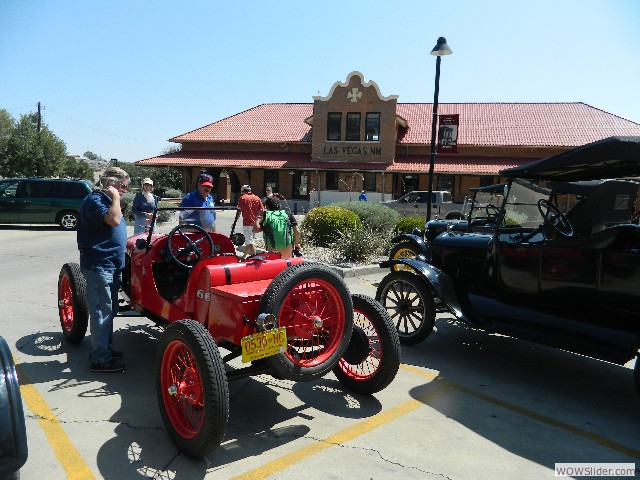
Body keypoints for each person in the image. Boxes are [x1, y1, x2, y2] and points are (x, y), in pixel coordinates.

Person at [76, 166, 130, 373]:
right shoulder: (95, 201)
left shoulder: (107, 202)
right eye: (123, 186)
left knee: (110, 309)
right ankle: (100, 359)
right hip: (99, 265)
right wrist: (115, 197)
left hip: (112, 264)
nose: (125, 190)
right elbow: (114, 220)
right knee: (101, 311)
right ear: (111, 185)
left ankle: (103, 348)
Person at [234, 185, 264, 259]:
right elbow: (262, 210)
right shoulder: (257, 198)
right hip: (256, 224)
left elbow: (239, 210)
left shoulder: (243, 198)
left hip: (247, 223)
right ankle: (244, 256)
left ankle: (255, 257)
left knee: (250, 242)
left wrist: (235, 221)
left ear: (243, 191)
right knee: (249, 240)